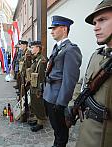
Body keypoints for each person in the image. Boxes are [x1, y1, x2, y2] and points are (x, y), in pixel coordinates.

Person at [76, 1, 112, 147]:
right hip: (86, 134)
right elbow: (83, 83)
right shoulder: (96, 55)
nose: (96, 27)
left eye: (102, 20)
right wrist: (73, 104)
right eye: (94, 23)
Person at [43, 15, 82, 147]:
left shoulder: (71, 49)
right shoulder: (57, 47)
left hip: (58, 99)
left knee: (61, 132)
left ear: (64, 29)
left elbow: (69, 80)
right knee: (56, 129)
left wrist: (61, 103)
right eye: (51, 28)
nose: (51, 31)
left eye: (55, 28)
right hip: (49, 95)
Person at [28, 41, 47, 132]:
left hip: (37, 87)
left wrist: (40, 90)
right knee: (34, 104)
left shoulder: (41, 60)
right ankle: (37, 118)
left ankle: (40, 122)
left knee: (39, 105)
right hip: (33, 85)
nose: (31, 49)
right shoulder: (36, 58)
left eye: (33, 47)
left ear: (38, 48)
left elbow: (42, 77)